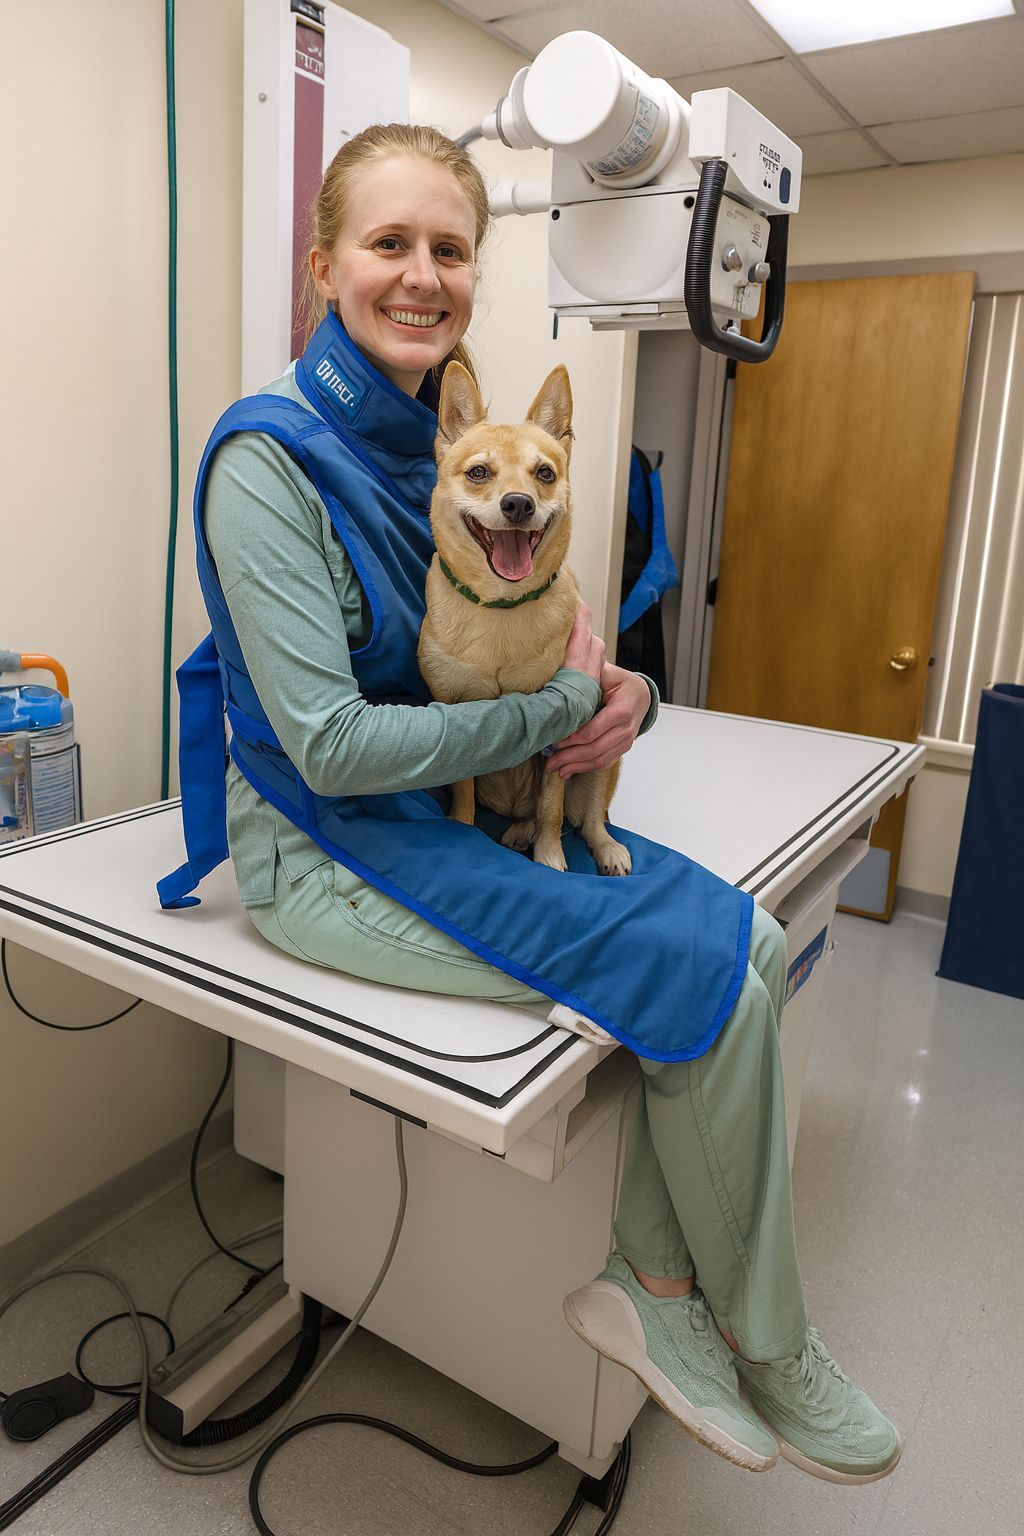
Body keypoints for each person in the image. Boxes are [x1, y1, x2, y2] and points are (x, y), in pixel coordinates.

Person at [164, 123, 900, 1486]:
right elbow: (326, 744)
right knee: (704, 974)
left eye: (450, 249)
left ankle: (653, 1284)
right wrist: (555, 714)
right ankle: (731, 1328)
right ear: (324, 266)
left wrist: (625, 699)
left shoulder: (435, 447)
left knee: (745, 938)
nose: (423, 274)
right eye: (389, 244)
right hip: (326, 844)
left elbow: (527, 645)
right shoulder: (267, 459)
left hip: (453, 813)